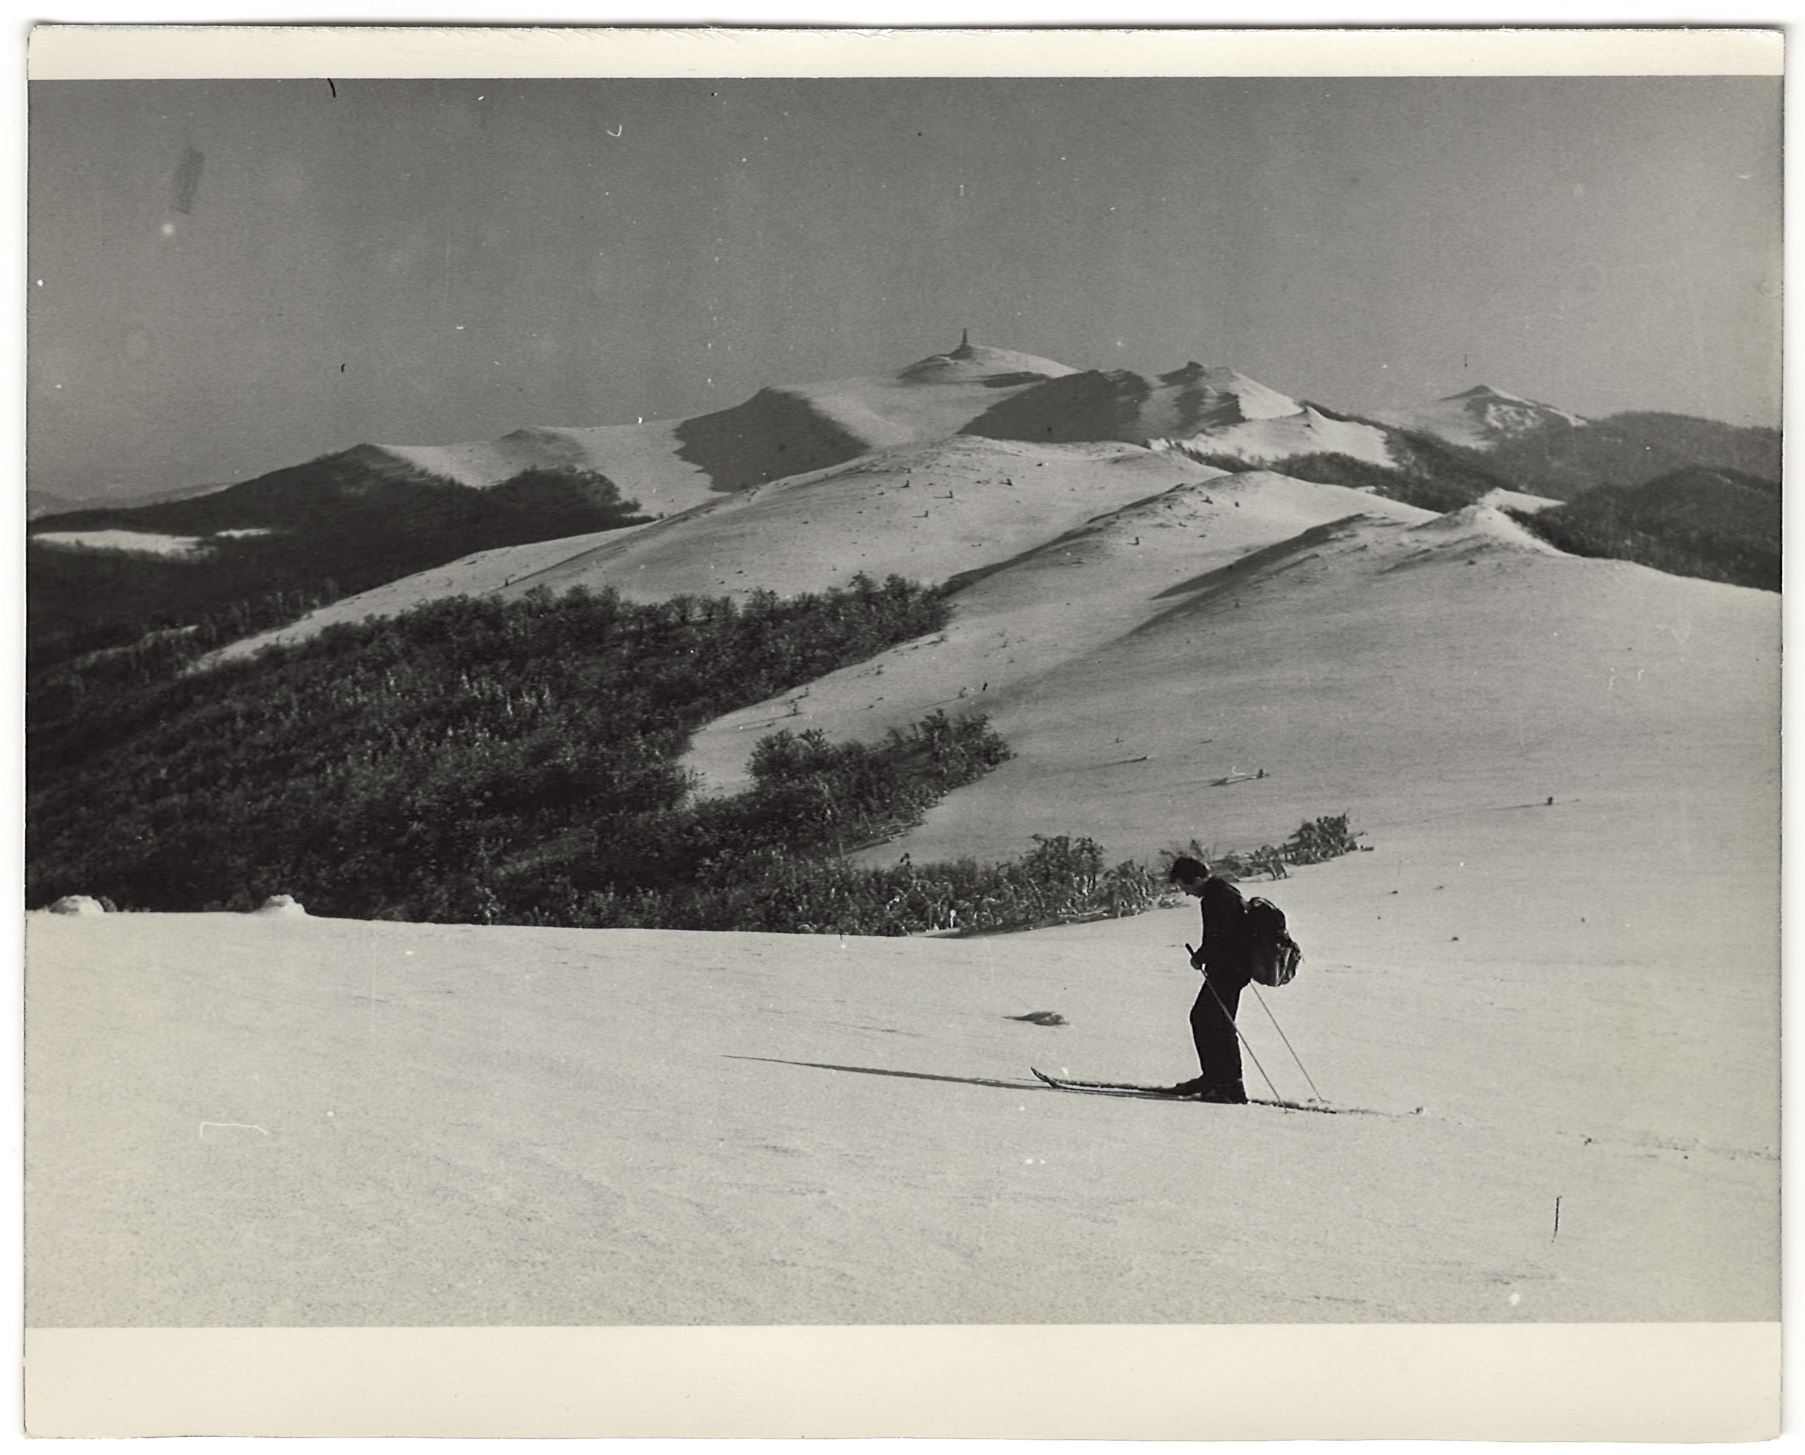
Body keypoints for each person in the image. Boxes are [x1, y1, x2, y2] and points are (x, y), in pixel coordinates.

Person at [1166, 856, 1251, 1104]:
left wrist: (1200, 958)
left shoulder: (1217, 897)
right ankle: (1216, 1078)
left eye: (1185, 885)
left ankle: (1230, 1085)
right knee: (1209, 1020)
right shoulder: (1223, 892)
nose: (1186, 892)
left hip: (1228, 970)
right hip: (1233, 969)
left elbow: (1219, 936)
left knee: (1214, 1022)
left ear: (1195, 878)